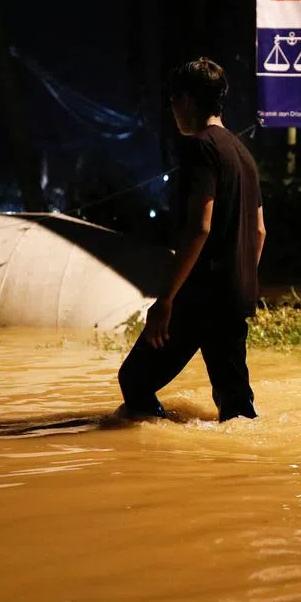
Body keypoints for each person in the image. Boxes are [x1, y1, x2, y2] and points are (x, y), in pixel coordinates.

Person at [116, 57, 266, 423]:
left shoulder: (201, 148)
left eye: (172, 101)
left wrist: (165, 300)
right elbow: (259, 231)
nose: (172, 111)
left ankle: (156, 449)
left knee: (134, 380)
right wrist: (239, 280)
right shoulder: (243, 154)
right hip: (232, 296)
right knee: (236, 405)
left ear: (186, 100)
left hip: (200, 297)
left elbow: (200, 226)